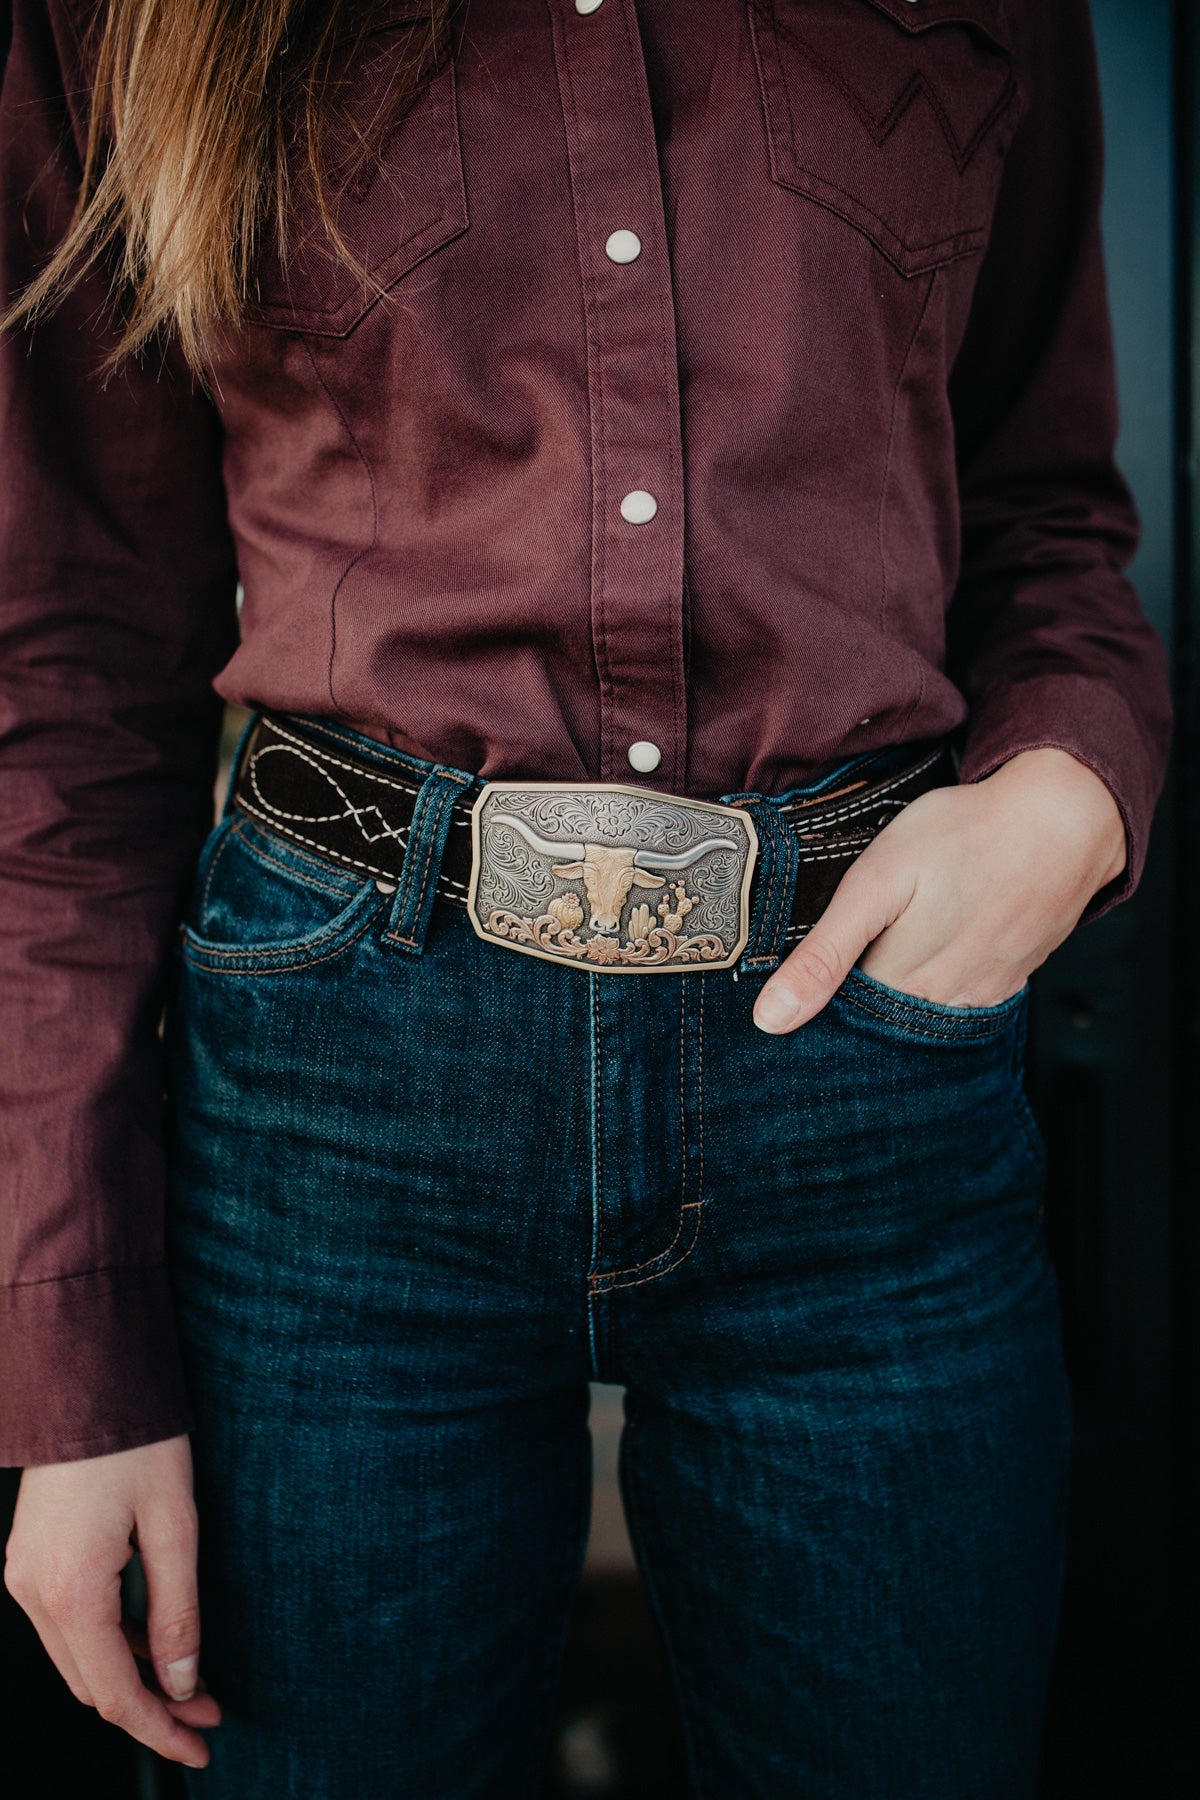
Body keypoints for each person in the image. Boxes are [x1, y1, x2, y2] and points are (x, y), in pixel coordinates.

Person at [0, 1, 1173, 1795]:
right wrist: (70, 1364)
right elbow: (68, 662)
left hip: (864, 1077)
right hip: (334, 1114)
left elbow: (1045, 513)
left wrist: (1071, 791)